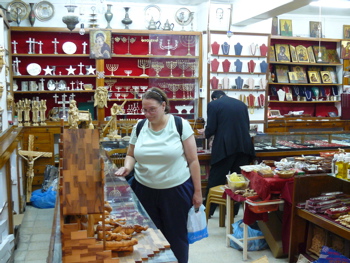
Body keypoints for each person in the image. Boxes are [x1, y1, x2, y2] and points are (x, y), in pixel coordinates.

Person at [115, 87, 202, 263]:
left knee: (176, 236)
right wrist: (127, 167)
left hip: (175, 191)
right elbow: (131, 154)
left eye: (152, 109)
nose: (147, 114)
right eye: (144, 110)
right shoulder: (139, 127)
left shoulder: (179, 125)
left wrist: (198, 192)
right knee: (148, 235)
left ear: (164, 106)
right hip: (144, 190)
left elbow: (193, 160)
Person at [198, 90, 255, 216]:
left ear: (214, 98)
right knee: (239, 182)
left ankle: (208, 211)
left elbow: (212, 127)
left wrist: (206, 133)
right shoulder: (241, 104)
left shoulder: (214, 104)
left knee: (216, 179)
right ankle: (234, 211)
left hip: (225, 148)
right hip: (244, 146)